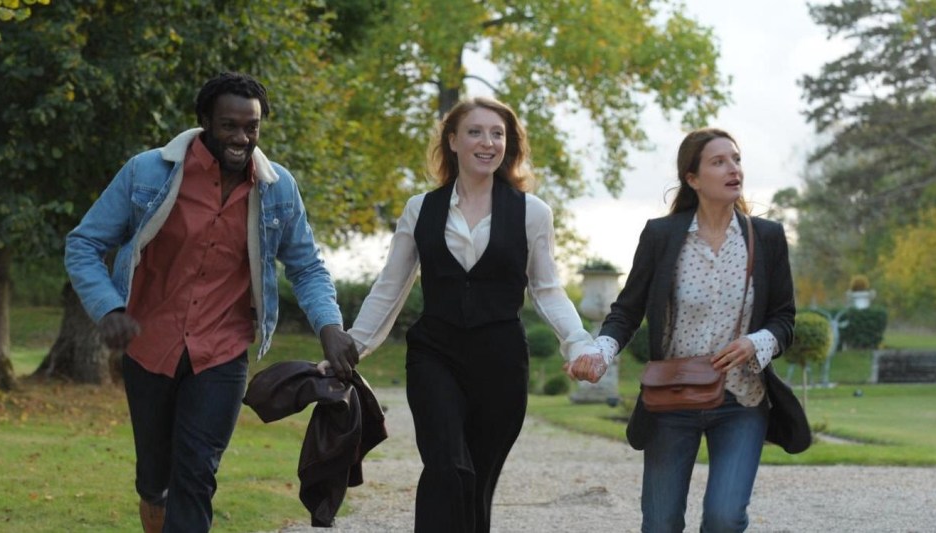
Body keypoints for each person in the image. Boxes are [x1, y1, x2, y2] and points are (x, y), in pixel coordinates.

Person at [64, 72, 358, 532]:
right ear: (204, 122)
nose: (242, 138)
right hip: (149, 345)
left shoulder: (277, 189)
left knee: (197, 472)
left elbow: (306, 265)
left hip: (221, 351)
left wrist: (329, 327)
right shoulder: (147, 173)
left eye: (252, 127)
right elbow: (83, 244)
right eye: (229, 126)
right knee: (155, 475)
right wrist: (109, 308)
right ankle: (152, 499)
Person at [331, 96, 600, 532]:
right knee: (447, 465)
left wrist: (580, 342)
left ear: (508, 145)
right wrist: (353, 347)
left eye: (498, 134)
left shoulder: (533, 212)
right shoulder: (421, 208)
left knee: (477, 482)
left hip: (501, 362)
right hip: (435, 353)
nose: (487, 142)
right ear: (452, 140)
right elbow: (390, 286)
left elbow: (548, 290)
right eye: (475, 132)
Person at [567, 127, 796, 532]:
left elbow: (783, 319)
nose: (733, 169)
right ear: (692, 179)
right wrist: (600, 352)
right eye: (718, 161)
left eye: (736, 159)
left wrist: (755, 341)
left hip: (741, 401)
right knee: (660, 523)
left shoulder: (767, 237)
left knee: (725, 518)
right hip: (671, 400)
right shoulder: (662, 235)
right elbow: (627, 310)